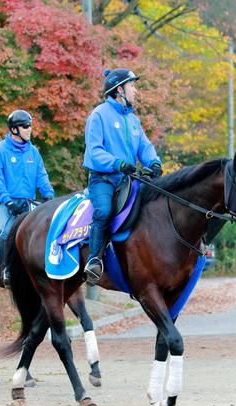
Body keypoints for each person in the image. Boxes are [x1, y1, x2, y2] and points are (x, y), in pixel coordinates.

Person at [83, 68, 163, 283]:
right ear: (119, 89)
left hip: (129, 180)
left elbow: (144, 147)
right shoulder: (98, 115)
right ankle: (94, 260)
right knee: (104, 211)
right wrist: (117, 163)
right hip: (103, 179)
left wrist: (154, 162)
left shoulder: (133, 120)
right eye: (132, 86)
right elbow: (94, 151)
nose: (135, 91)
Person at [0, 109, 54, 287]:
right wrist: (8, 201)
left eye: (30, 126)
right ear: (14, 129)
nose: (29, 129)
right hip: (6, 203)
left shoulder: (33, 152)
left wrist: (48, 194)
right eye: (25, 126)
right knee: (5, 234)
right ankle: (6, 270)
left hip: (28, 203)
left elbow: (42, 176)